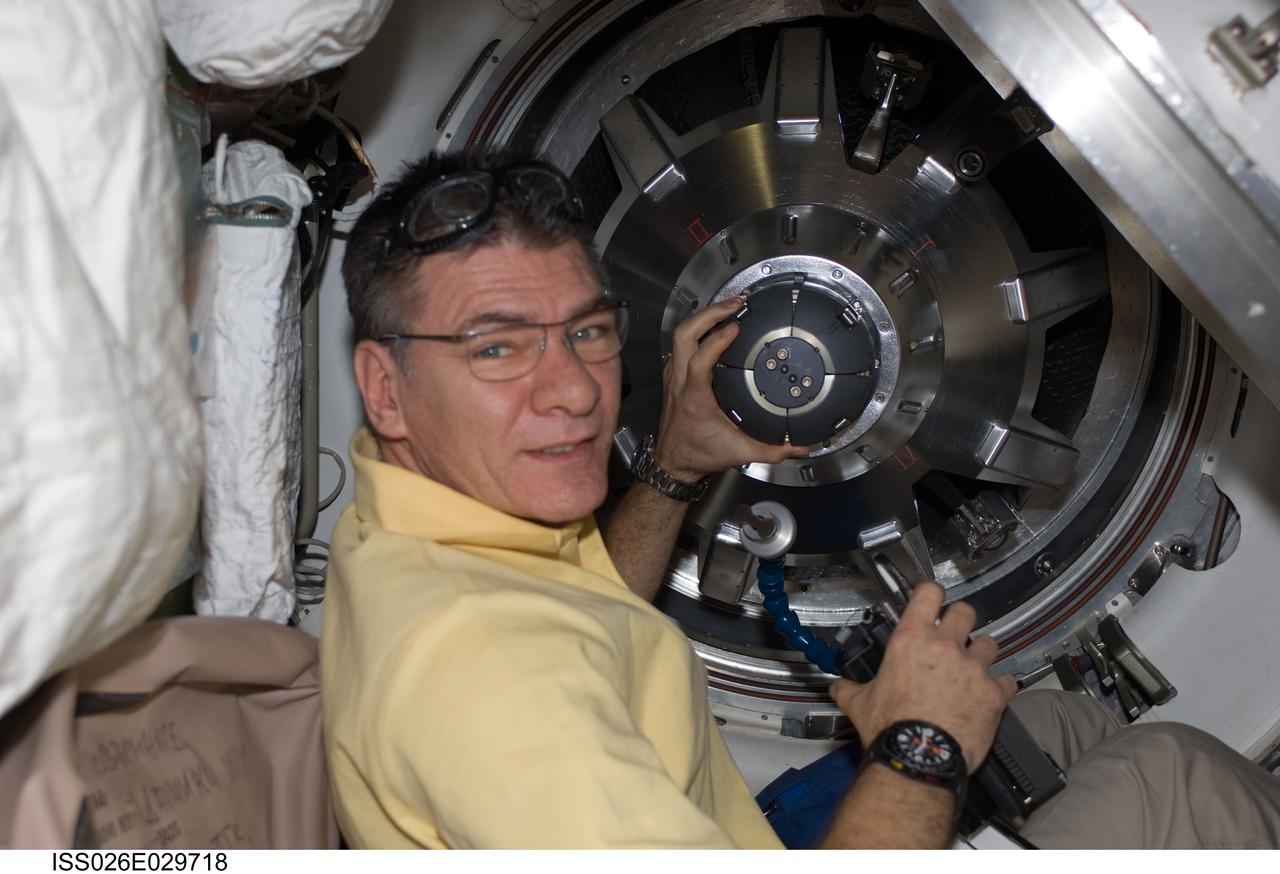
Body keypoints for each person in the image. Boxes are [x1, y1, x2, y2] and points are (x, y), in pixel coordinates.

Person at [320, 151, 1280, 849]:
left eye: (586, 332)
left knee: (1058, 728)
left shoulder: (426, 518)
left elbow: (592, 602)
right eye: (497, 346)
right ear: (384, 385)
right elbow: (521, 672)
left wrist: (677, 463)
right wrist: (919, 743)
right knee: (1179, 779)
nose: (572, 390)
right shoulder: (489, 684)